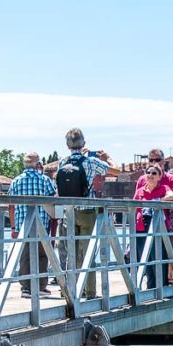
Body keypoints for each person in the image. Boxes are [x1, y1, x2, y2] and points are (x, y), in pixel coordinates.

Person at [55, 128, 111, 298]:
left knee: (70, 253)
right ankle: (90, 292)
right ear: (84, 144)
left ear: (67, 145)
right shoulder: (91, 162)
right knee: (87, 253)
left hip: (68, 212)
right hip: (87, 212)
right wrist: (106, 158)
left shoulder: (62, 163)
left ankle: (70, 291)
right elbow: (109, 169)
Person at [9, 152, 56, 298]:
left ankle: (26, 288)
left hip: (22, 224)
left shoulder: (15, 181)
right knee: (42, 255)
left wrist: (13, 227)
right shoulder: (45, 180)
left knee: (24, 256)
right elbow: (53, 200)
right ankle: (40, 286)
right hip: (41, 223)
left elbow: (11, 205)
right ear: (38, 164)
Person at [133, 166, 170, 290]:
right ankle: (150, 288)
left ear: (159, 176)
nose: (150, 175)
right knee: (145, 259)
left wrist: (157, 201)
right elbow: (133, 205)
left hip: (158, 226)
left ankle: (161, 288)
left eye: (154, 173)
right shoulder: (140, 191)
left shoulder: (163, 188)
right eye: (148, 172)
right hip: (141, 226)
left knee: (158, 257)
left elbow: (172, 196)